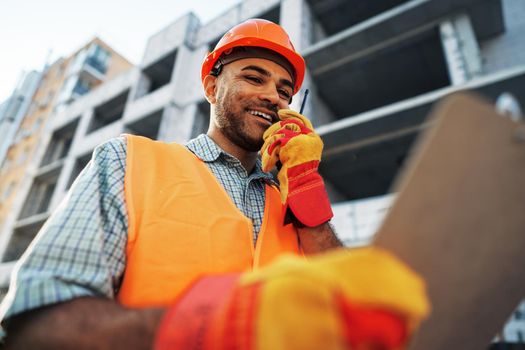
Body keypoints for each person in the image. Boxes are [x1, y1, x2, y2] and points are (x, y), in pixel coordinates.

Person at [0, 19, 429, 349]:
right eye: (253, 77)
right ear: (210, 85)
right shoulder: (129, 161)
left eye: (284, 90)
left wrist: (306, 190)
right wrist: (223, 327)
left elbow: (343, 316)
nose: (272, 96)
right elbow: (37, 325)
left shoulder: (295, 205)